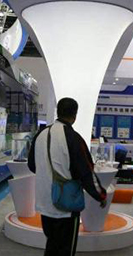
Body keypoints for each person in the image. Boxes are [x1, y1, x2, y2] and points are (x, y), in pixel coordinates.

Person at [28, 98, 107, 256]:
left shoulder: (41, 135)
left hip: (45, 203)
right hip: (65, 205)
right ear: (75, 115)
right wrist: (100, 195)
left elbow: (32, 165)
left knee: (51, 245)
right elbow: (86, 172)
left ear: (58, 111)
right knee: (65, 250)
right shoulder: (74, 138)